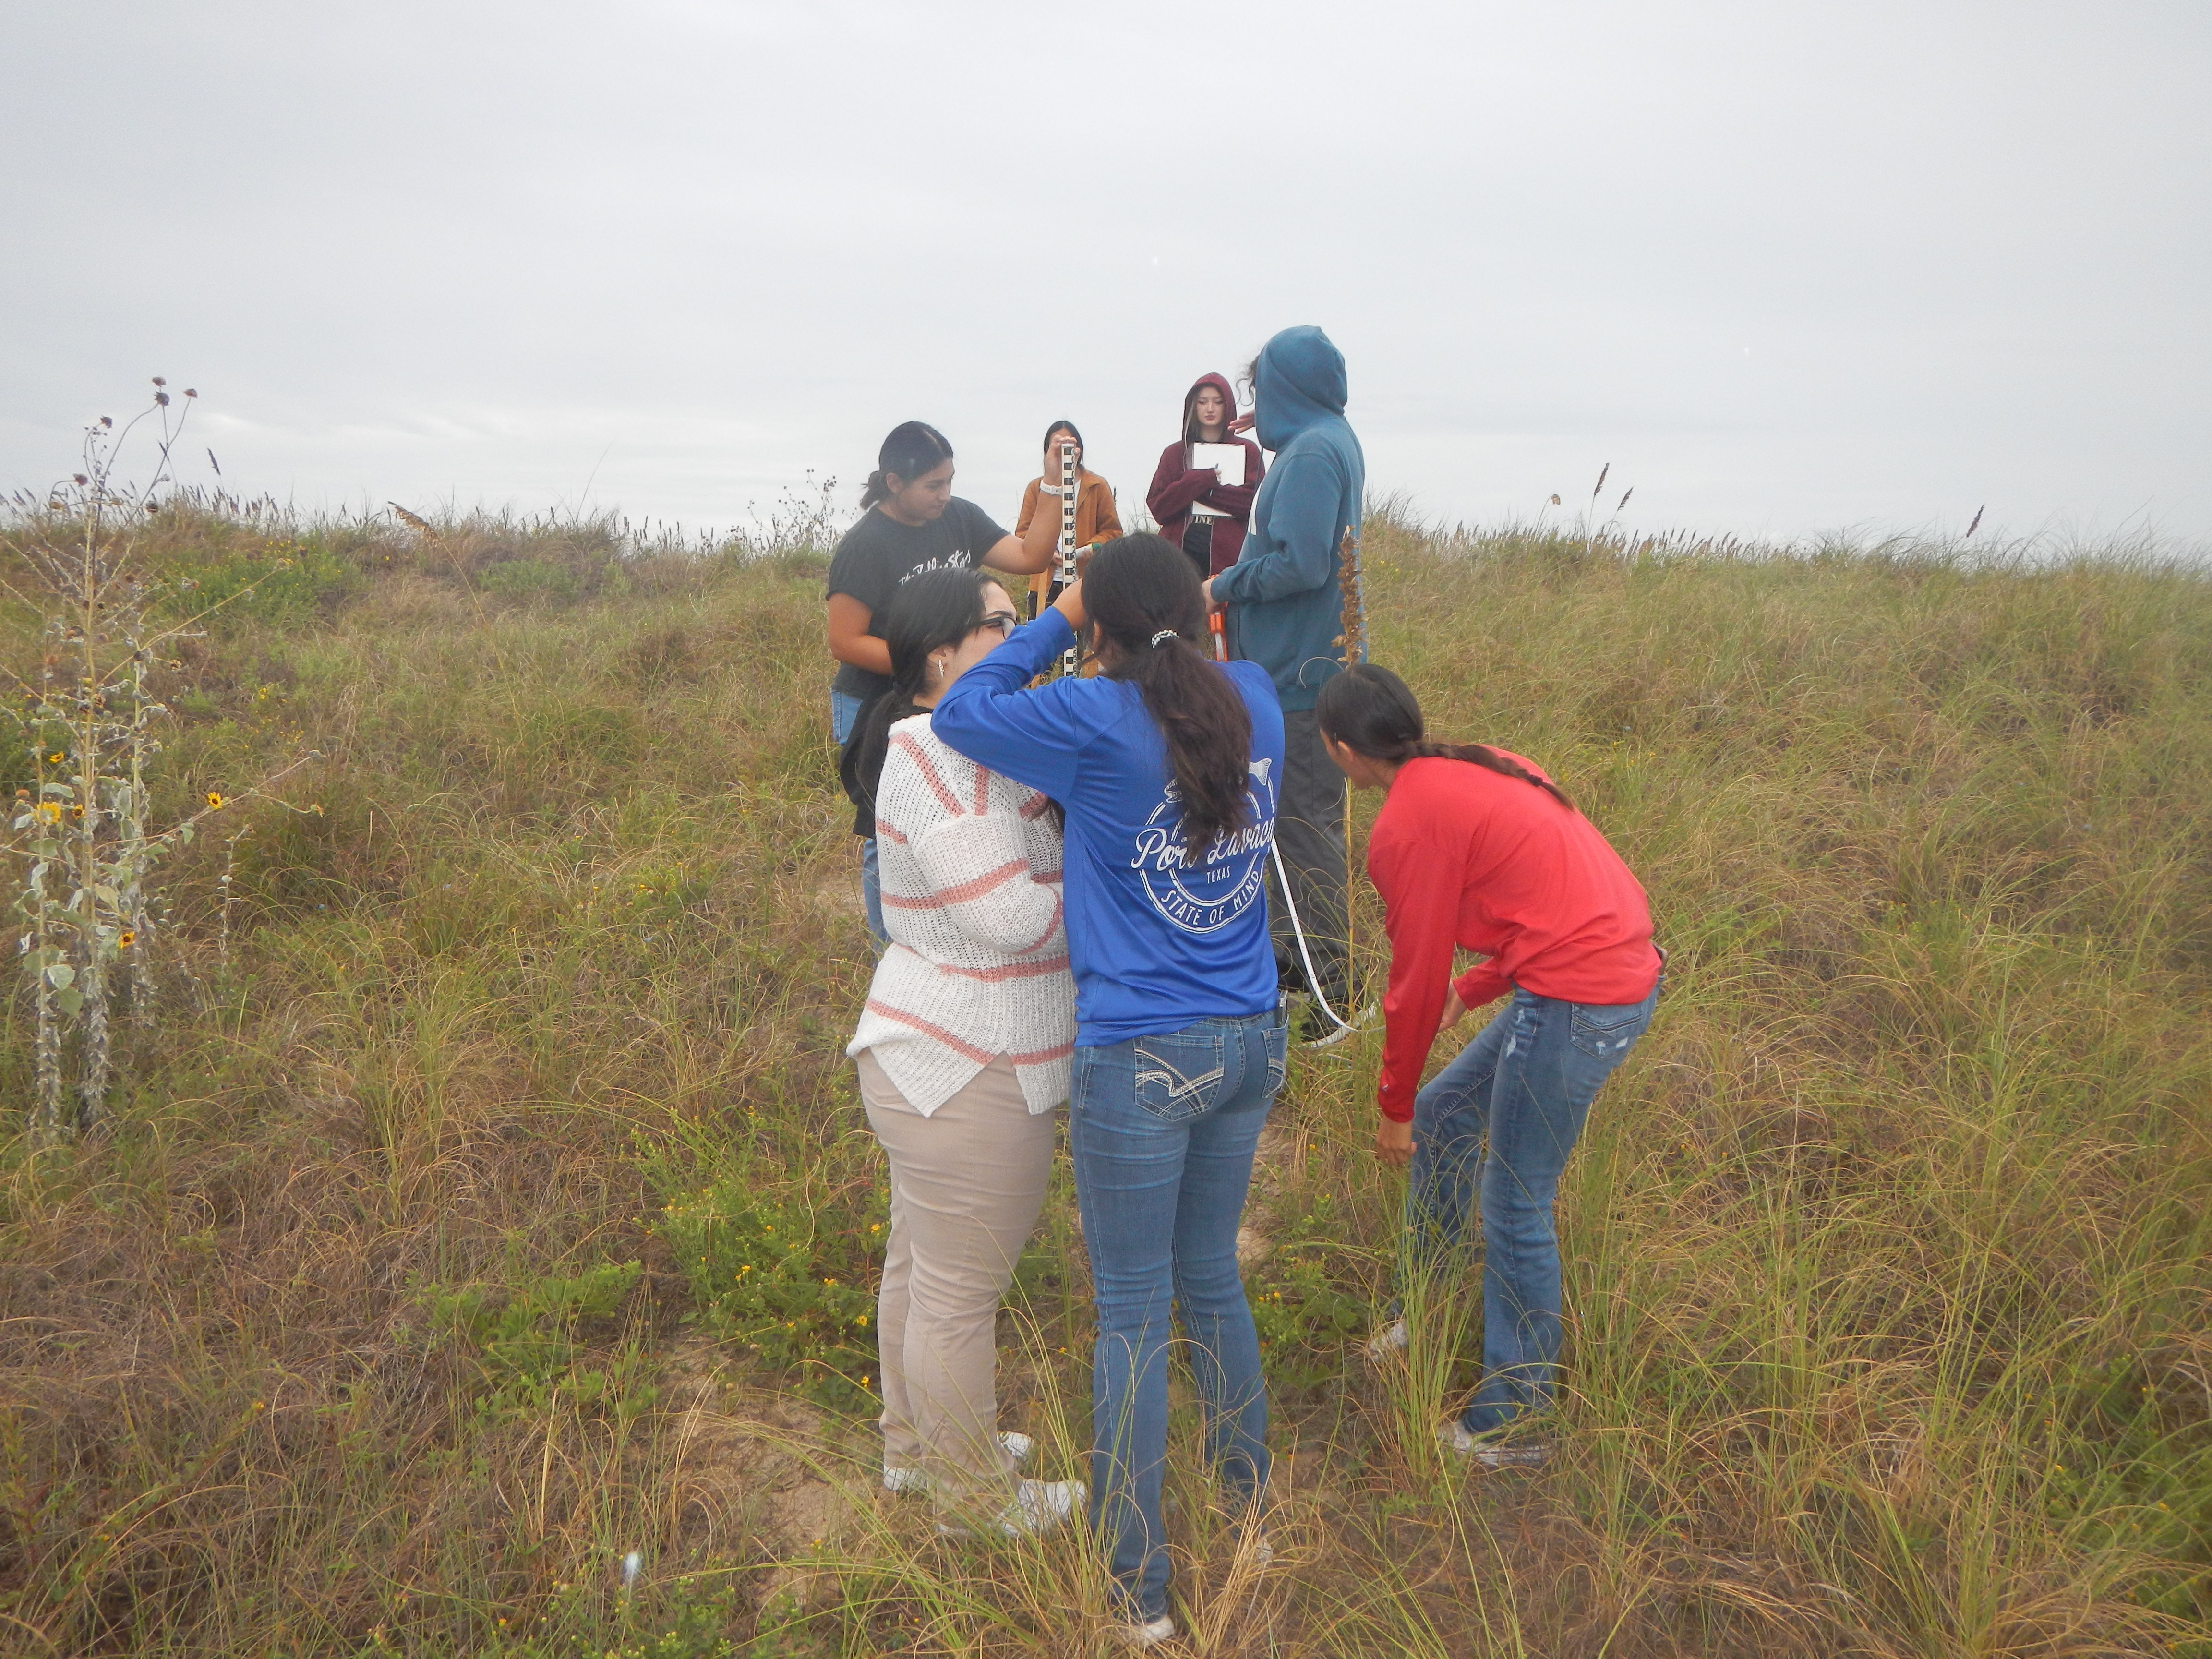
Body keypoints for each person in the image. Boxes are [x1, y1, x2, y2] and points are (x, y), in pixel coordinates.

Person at [933, 534, 1286, 1648]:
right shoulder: (1260, 700)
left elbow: (961, 708)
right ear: (1198, 609)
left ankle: (1138, 1590)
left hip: (1142, 1049)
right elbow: (1207, 666)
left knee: (1131, 1317)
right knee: (1212, 1276)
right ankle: (1251, 1510)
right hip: (1250, 1035)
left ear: (1102, 624)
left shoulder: (1090, 718)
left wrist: (1057, 610)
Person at [1313, 663, 1662, 1469]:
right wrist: (1475, 990)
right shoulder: (1473, 760)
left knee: (1513, 1201)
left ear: (1339, 750)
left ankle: (1516, 1423)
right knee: (1448, 1118)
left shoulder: (1407, 823)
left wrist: (1390, 1106)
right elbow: (1543, 900)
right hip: (1593, 974)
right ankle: (1428, 1307)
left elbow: (1410, 986)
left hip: (1582, 997)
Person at [841, 566, 1087, 1537]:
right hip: (968, 1066)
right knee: (956, 1296)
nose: (1023, 633)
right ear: (941, 653)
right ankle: (973, 1502)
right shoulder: (936, 751)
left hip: (936, 1057)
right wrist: (1120, 899)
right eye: (1001, 622)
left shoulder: (965, 741)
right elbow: (1013, 918)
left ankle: (917, 1451)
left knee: (922, 1268)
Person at [824, 421, 1060, 944]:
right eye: (933, 485)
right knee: (887, 821)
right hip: (874, 701)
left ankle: (951, 918)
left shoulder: (958, 518)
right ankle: (894, 941)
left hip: (945, 691)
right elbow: (845, 640)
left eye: (950, 481)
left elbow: (1029, 558)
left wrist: (1050, 486)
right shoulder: (866, 547)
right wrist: (924, 662)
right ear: (893, 483)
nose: (944, 495)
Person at [1201, 327, 1364, 1028]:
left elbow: (1303, 565)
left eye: (1260, 388)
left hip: (1298, 676)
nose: (1254, 403)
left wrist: (1224, 585)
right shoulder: (1329, 440)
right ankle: (1297, 973)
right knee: (1296, 828)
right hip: (1304, 668)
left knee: (1301, 831)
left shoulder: (1310, 456)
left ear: (1286, 388)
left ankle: (1333, 996)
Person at [1145, 373, 1263, 585]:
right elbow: (1159, 507)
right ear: (1194, 406)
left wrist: (1197, 490)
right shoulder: (1175, 454)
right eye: (1203, 402)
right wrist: (1200, 480)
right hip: (1178, 562)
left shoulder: (1248, 451)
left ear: (1227, 405)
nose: (1210, 409)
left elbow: (1253, 505)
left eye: (1218, 402)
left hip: (1230, 560)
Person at [1012, 419, 1123, 619]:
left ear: (1079, 448)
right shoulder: (1037, 489)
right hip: (1045, 582)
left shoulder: (1097, 486)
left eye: (1069, 444)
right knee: (1044, 643)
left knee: (1082, 644)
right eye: (1057, 444)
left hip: (1085, 580)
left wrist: (1090, 548)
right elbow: (1022, 534)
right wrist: (1046, 552)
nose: (1063, 449)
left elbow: (1113, 532)